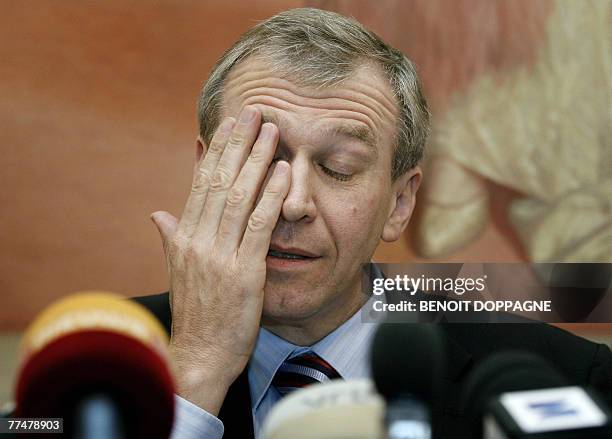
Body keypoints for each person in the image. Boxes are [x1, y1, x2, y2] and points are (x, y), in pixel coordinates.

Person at [134, 8, 612, 439]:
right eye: (263, 158)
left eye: (338, 167)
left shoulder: (569, 379)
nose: (294, 202)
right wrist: (196, 370)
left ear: (400, 203)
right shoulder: (85, 358)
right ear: (207, 172)